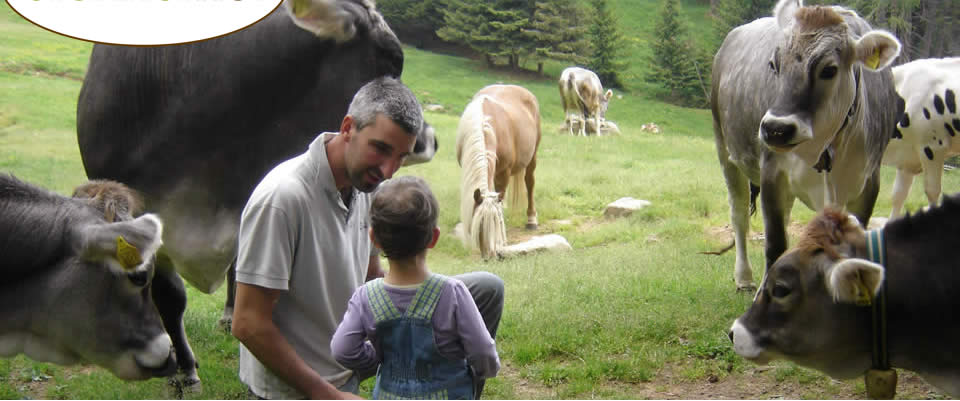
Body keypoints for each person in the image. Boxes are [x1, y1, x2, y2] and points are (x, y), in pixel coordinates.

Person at [230, 77, 504, 400]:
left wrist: (429, 308)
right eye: (381, 149)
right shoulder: (282, 199)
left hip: (353, 346)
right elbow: (247, 323)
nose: (389, 171)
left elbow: (374, 276)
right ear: (348, 128)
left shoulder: (366, 187)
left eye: (401, 157)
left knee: (485, 289)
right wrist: (328, 394)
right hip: (301, 388)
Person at [331, 176, 500, 400]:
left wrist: (379, 359)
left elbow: (342, 349)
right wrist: (484, 371)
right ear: (434, 237)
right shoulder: (452, 293)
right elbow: (482, 351)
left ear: (374, 239)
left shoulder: (365, 297)